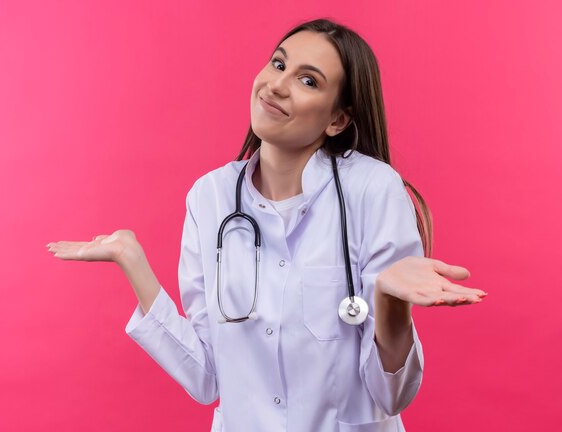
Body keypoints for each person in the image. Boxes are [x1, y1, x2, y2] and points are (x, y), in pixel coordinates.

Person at [46, 18, 487, 432]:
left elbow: (391, 396)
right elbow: (205, 378)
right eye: (279, 63)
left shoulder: (372, 189)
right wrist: (132, 260)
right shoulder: (210, 197)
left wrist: (389, 301)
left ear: (337, 119)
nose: (277, 84)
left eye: (307, 80)